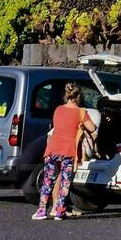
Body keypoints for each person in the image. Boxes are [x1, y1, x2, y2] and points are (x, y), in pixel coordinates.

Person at [33, 82, 96, 221]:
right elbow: (92, 128)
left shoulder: (58, 110)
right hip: (68, 151)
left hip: (53, 149)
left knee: (47, 181)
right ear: (78, 96)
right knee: (65, 183)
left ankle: (41, 211)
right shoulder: (81, 112)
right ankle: (60, 212)